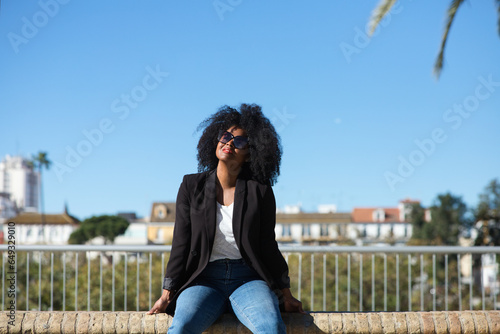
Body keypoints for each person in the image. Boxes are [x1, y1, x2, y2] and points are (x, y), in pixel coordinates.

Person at [147, 103, 304, 333]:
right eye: (226, 136)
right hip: (204, 279)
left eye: (239, 141)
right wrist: (166, 294)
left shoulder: (260, 191)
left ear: (250, 154)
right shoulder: (191, 186)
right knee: (180, 328)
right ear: (216, 139)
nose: (229, 143)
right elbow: (181, 242)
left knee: (271, 327)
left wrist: (287, 294)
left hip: (248, 280)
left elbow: (268, 245)